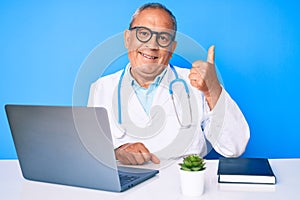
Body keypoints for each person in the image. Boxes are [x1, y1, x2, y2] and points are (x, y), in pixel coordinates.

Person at [88, 3, 250, 165]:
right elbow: (92, 153)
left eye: (163, 38)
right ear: (128, 39)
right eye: (143, 33)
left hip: (185, 184)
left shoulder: (199, 83)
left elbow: (234, 148)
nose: (152, 46)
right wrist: (116, 153)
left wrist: (212, 90)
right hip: (127, 184)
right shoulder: (101, 88)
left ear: (172, 48)